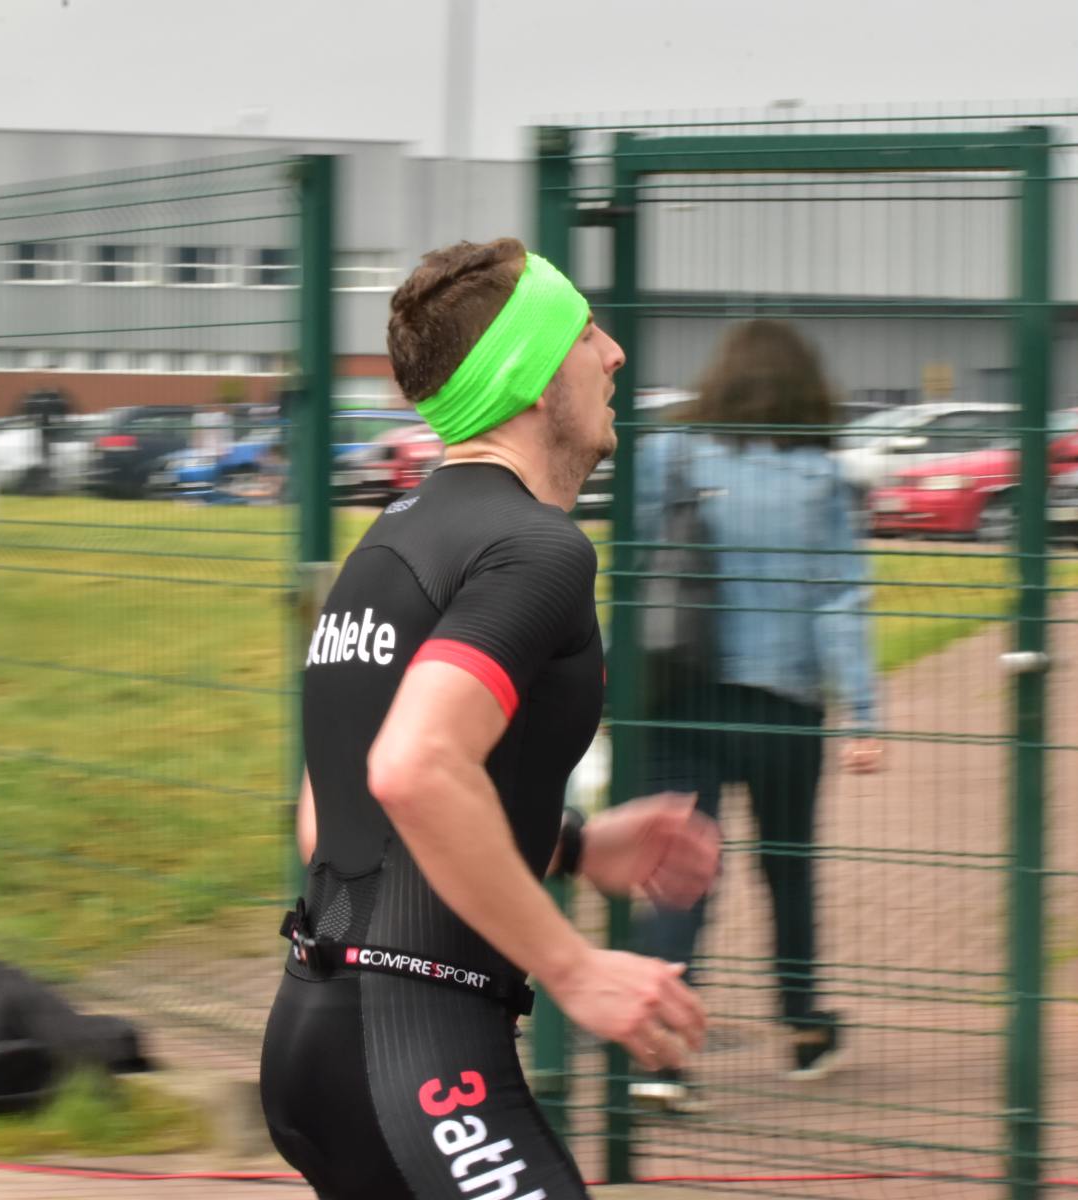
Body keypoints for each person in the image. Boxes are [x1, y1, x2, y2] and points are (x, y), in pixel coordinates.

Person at [261, 237, 724, 1199]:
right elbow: (414, 769)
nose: (614, 353)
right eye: (584, 332)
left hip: (316, 1037)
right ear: (531, 375)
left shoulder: (391, 543)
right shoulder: (537, 550)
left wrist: (572, 846)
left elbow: (331, 815)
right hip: (419, 1059)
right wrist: (574, 968)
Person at [630, 319, 884, 1107]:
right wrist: (862, 714)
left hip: (680, 694)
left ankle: (658, 1053)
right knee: (788, 867)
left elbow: (635, 572)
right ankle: (804, 1029)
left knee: (680, 871)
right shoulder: (822, 477)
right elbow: (839, 599)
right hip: (785, 706)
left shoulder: (668, 456)